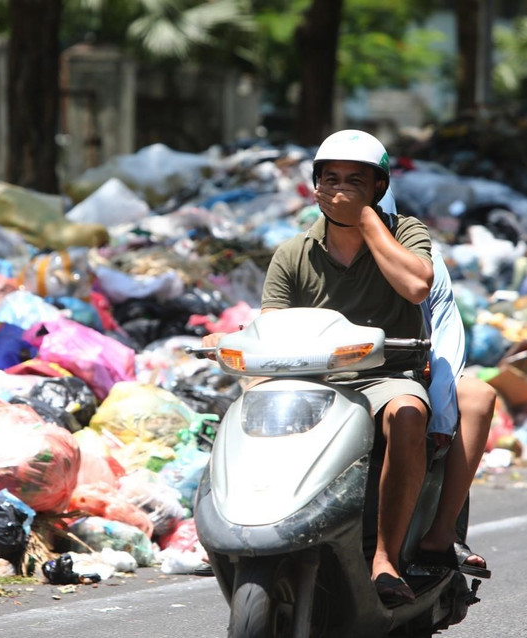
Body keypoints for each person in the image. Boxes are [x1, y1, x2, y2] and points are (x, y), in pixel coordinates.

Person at [203, 129, 434, 604]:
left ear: (379, 188)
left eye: (355, 180)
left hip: (385, 378)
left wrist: (365, 222)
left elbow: (416, 287)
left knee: (408, 415)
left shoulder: (405, 232)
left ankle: (385, 560)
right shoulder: (292, 253)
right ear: (315, 187)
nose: (340, 189)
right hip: (310, 382)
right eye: (331, 179)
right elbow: (272, 329)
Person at [374, 189, 493, 579]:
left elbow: (444, 334)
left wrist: (442, 413)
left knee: (476, 396)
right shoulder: (317, 254)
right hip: (345, 378)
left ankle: (441, 535)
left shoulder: (421, 262)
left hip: (413, 375)